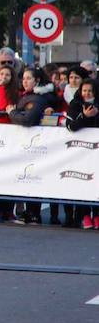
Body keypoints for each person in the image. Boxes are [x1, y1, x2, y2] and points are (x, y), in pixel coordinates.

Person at [7, 67, 62, 225]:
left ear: (37, 81)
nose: (24, 82)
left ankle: (33, 213)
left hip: (35, 143)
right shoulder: (31, 95)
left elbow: (28, 119)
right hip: (33, 143)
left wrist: (11, 113)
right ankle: (31, 212)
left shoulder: (36, 98)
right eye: (23, 78)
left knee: (32, 176)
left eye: (28, 78)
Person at [65, 78, 98, 229]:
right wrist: (85, 116)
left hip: (96, 151)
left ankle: (97, 215)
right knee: (83, 182)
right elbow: (71, 126)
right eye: (84, 90)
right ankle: (83, 215)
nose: (87, 94)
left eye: (90, 91)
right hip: (80, 151)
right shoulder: (75, 104)